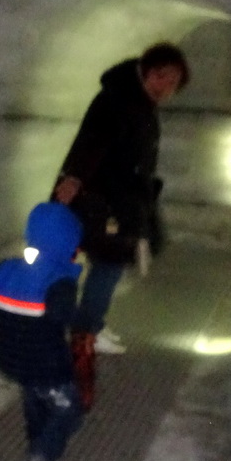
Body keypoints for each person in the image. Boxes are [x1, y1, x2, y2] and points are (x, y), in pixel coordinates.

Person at [52, 41, 189, 403]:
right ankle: (85, 330)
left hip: (120, 198)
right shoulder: (119, 99)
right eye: (161, 76)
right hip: (103, 198)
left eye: (173, 82)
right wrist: (73, 179)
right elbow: (91, 141)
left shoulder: (141, 103)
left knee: (106, 262)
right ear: (145, 70)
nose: (165, 86)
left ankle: (85, 325)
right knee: (108, 263)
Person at [0, 201, 84, 461]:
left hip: (13, 358)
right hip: (47, 363)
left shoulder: (5, 269)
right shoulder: (58, 281)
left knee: (35, 401)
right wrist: (88, 321)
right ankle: (41, 455)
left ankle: (35, 441)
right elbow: (65, 314)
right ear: (66, 243)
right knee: (69, 409)